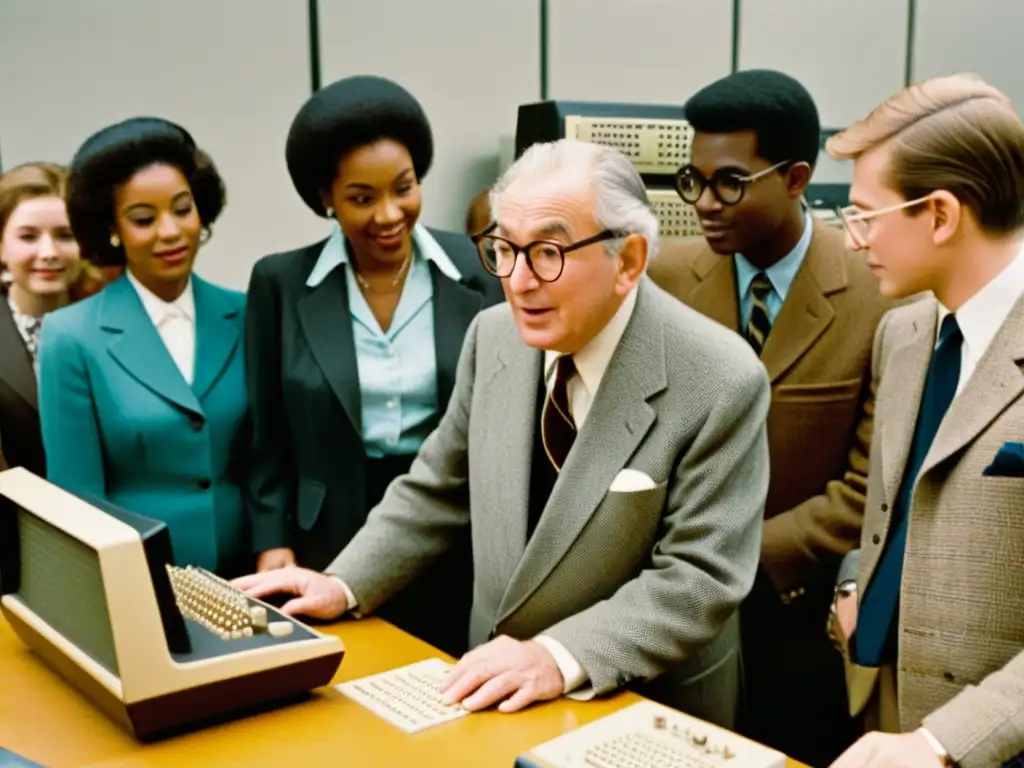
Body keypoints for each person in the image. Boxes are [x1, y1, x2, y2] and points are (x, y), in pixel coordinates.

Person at [235, 138, 771, 727]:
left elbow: (700, 577)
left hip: (641, 707)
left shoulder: (719, 376)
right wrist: (344, 582)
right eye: (502, 249)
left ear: (628, 261)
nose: (516, 280)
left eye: (547, 252)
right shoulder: (492, 335)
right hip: (494, 690)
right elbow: (437, 485)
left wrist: (556, 656)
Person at [648, 69, 894, 765]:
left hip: (801, 620)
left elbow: (873, 488)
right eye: (692, 181)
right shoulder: (663, 279)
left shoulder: (881, 295)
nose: (704, 203)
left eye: (730, 182)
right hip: (674, 612)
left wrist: (737, 558)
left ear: (795, 179)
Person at [244, 75, 502, 657]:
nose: (390, 214)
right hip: (327, 530)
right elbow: (267, 439)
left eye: (404, 188)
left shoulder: (482, 269)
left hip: (458, 524)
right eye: (362, 198)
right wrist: (271, 541)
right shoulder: (280, 282)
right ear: (324, 200)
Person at [825, 74, 1024, 768]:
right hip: (882, 708)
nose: (851, 242)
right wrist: (856, 583)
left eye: (863, 215)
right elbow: (898, 503)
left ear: (939, 214)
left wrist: (942, 743)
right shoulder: (903, 332)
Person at [37, 117, 251, 576]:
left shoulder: (249, 314)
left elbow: (271, 460)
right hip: (142, 583)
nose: (170, 231)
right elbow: (78, 499)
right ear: (111, 229)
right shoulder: (71, 336)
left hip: (256, 578)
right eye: (143, 219)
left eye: (182, 209)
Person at [0, 163, 83, 591]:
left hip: (105, 544)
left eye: (65, 235)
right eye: (29, 236)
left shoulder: (115, 321)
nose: (49, 252)